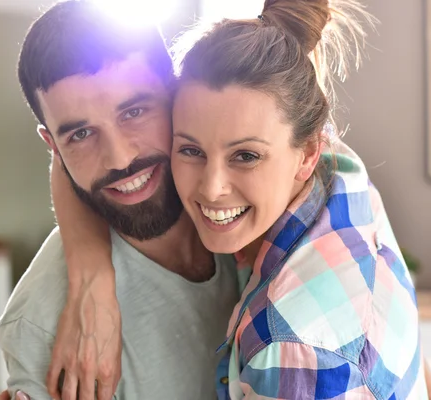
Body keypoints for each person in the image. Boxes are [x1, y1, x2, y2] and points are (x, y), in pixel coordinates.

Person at [48, 0, 428, 398]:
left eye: (245, 156)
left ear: (308, 152)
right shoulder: (338, 174)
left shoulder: (289, 351)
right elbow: (82, 154)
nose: (212, 188)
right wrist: (90, 274)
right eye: (191, 150)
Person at [0, 1, 240, 399]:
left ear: (177, 95)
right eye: (80, 135)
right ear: (53, 147)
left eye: (135, 111)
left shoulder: (252, 204)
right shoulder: (44, 323)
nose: (121, 159)